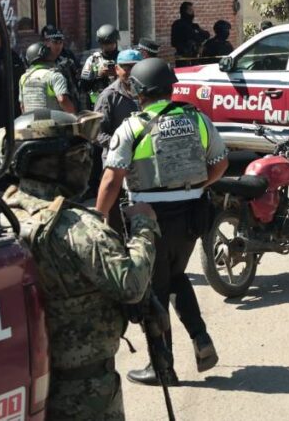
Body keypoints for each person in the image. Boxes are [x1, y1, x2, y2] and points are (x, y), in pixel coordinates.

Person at [3, 109, 157, 418]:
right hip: (86, 389)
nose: (86, 164)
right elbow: (131, 285)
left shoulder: (4, 215)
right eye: (78, 155)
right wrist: (144, 228)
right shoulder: (77, 227)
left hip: (27, 383)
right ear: (47, 162)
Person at [96, 58, 228, 385]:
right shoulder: (197, 118)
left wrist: (99, 220)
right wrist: (199, 185)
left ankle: (162, 367)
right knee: (176, 276)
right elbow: (220, 162)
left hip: (149, 219)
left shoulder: (133, 126)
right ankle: (201, 338)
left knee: (153, 290)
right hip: (191, 214)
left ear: (138, 90)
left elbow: (112, 180)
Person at [94, 49, 143, 234]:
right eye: (125, 67)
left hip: (142, 164)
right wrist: (122, 145)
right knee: (116, 217)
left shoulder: (146, 92)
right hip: (115, 164)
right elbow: (96, 133)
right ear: (117, 69)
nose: (129, 71)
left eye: (134, 67)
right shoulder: (109, 96)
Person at [19, 42, 76, 114]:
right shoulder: (55, 76)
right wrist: (74, 116)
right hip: (53, 123)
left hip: (30, 122)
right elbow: (62, 100)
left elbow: (22, 106)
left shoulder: (24, 78)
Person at [0, 24, 24, 127]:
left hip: (14, 100)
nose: (7, 39)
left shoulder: (12, 54)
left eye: (8, 36)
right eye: (3, 36)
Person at [80, 24, 121, 108]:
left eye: (111, 43)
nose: (109, 46)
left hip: (119, 101)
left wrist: (118, 74)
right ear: (101, 43)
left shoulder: (122, 58)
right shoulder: (93, 60)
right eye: (106, 43)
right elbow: (83, 86)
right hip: (99, 103)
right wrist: (99, 75)